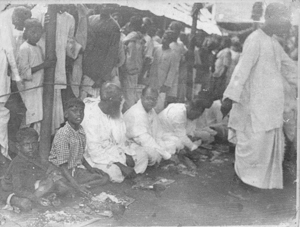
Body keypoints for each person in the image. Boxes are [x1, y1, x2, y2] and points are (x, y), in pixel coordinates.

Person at [222, 3, 297, 193]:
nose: (287, 25)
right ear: (270, 17)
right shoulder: (255, 39)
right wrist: (229, 98)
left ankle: (256, 186)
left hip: (269, 109)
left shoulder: (273, 43)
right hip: (253, 109)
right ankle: (242, 184)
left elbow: (291, 69)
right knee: (252, 148)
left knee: (263, 149)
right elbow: (241, 71)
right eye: (284, 20)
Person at [81, 83, 148, 183]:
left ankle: (129, 174)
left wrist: (127, 153)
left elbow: (121, 138)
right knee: (114, 171)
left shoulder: (115, 110)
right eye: (119, 98)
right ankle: (126, 174)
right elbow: (94, 151)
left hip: (115, 150)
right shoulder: (91, 117)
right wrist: (119, 164)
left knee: (142, 154)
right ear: (111, 99)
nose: (121, 101)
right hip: (96, 157)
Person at [0, 128, 71, 212]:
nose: (31, 147)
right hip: (11, 191)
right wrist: (36, 198)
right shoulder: (17, 164)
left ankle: (45, 198)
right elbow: (18, 189)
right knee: (26, 204)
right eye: (26, 144)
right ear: (18, 146)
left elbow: (46, 172)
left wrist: (52, 178)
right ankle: (20, 202)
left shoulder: (35, 157)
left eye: (33, 143)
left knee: (58, 184)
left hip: (29, 186)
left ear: (37, 144)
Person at [49, 98, 109, 197]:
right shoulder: (63, 134)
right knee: (63, 188)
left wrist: (91, 169)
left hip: (74, 172)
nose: (79, 114)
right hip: (60, 173)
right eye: (74, 111)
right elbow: (62, 166)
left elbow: (80, 154)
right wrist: (76, 186)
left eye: (81, 111)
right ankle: (76, 188)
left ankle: (78, 187)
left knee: (105, 177)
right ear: (66, 114)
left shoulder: (80, 130)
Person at [0, 6, 31, 166]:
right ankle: (3, 152)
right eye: (20, 23)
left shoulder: (7, 20)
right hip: (2, 80)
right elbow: (10, 52)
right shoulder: (5, 22)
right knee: (2, 114)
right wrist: (17, 76)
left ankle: (4, 152)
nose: (20, 27)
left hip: (4, 79)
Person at [124, 86, 180, 166]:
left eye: (154, 99)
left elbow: (158, 133)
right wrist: (166, 155)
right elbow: (145, 140)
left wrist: (164, 147)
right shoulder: (136, 113)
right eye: (148, 98)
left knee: (174, 142)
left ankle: (161, 160)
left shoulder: (151, 110)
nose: (151, 102)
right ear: (142, 97)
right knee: (153, 154)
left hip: (147, 141)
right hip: (130, 143)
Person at [17, 19, 56, 134]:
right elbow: (24, 72)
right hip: (29, 88)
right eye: (33, 32)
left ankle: (35, 141)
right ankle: (24, 139)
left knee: (38, 116)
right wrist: (44, 65)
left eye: (39, 33)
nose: (36, 35)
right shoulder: (24, 48)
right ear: (27, 32)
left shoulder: (38, 48)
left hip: (38, 87)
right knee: (30, 117)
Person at [82, 4, 120, 92]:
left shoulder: (114, 26)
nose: (105, 7)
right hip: (85, 67)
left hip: (99, 72)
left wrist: (102, 78)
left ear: (112, 7)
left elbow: (112, 54)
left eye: (108, 5)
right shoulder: (90, 19)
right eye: (103, 4)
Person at [121, 16, 146, 110]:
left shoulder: (132, 37)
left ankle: (128, 114)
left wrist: (125, 68)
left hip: (130, 70)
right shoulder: (139, 37)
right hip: (135, 69)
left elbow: (130, 55)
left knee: (128, 95)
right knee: (130, 93)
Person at [149, 31, 177, 113]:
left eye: (167, 39)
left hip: (162, 82)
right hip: (152, 79)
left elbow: (172, 71)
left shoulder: (172, 54)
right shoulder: (156, 49)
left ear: (170, 41)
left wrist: (167, 84)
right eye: (163, 38)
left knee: (159, 105)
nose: (164, 40)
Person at [166, 21, 188, 104]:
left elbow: (185, 56)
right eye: (169, 28)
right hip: (164, 73)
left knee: (171, 96)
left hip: (174, 75)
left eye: (172, 29)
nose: (170, 30)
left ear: (178, 32)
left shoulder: (180, 44)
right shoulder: (166, 42)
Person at [210, 36, 232, 101]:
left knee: (218, 91)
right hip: (216, 73)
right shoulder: (222, 50)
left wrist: (222, 74)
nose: (222, 43)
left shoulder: (227, 51)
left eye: (223, 42)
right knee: (214, 90)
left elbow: (226, 65)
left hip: (220, 74)